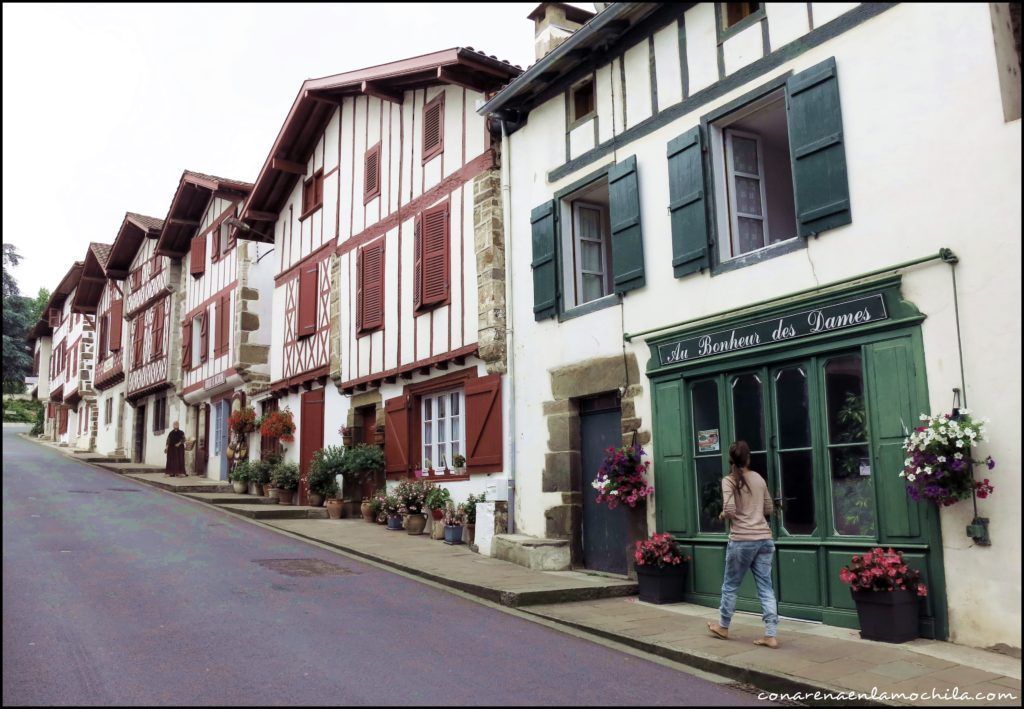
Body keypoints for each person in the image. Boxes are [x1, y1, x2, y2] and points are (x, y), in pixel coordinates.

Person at [707, 440, 779, 648]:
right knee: (766, 587)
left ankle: (723, 626)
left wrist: (722, 515)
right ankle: (770, 634)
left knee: (730, 585)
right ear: (748, 458)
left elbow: (729, 511)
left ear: (731, 459)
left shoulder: (729, 481)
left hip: (742, 540)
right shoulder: (758, 478)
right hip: (764, 539)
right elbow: (769, 509)